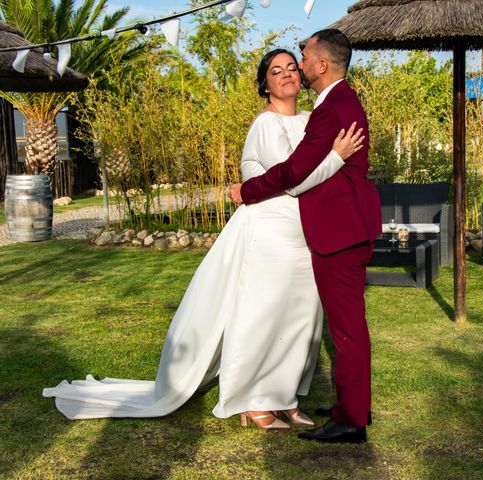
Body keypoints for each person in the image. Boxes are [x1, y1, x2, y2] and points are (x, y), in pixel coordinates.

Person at [42, 48, 364, 429]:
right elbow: (293, 180)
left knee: (300, 320)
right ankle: (251, 400)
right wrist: (336, 158)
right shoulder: (265, 125)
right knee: (263, 316)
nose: (287, 75)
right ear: (264, 85)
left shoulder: (313, 120)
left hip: (305, 234)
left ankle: (284, 396)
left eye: (293, 67)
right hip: (271, 232)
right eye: (276, 71)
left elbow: (306, 172)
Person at [228, 29, 382, 443]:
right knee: (343, 327)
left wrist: (246, 190)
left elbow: (294, 175)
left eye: (303, 55)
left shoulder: (331, 108)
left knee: (347, 331)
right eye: (278, 69)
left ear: (321, 64)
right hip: (332, 229)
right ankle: (348, 406)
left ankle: (351, 419)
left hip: (339, 231)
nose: (299, 61)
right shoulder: (335, 102)